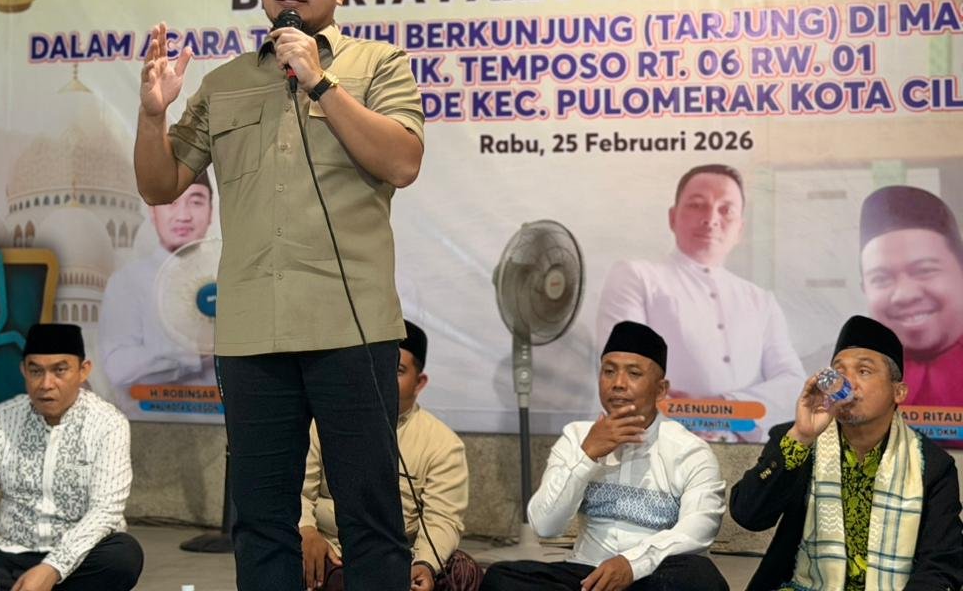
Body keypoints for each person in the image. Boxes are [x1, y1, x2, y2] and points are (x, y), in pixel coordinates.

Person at [134, 0, 425, 590]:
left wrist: (320, 81)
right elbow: (159, 184)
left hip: (351, 327)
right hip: (250, 334)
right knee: (261, 521)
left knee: (370, 517)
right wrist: (152, 115)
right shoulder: (225, 84)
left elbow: (403, 161)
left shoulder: (380, 64)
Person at [481, 321, 729, 591]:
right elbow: (545, 526)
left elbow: (699, 529)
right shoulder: (577, 437)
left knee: (699, 576)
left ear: (660, 389)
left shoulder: (689, 451)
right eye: (609, 371)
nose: (618, 384)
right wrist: (587, 455)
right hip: (587, 574)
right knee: (500, 578)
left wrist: (632, 564)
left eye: (634, 373)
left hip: (652, 575)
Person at [729, 315, 963, 591]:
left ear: (898, 392)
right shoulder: (798, 440)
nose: (847, 383)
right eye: (839, 373)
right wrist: (801, 437)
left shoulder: (931, 465)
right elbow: (748, 516)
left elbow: (942, 563)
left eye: (863, 371)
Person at [0, 323, 142, 591]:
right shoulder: (1, 419)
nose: (46, 384)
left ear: (83, 371)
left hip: (79, 557)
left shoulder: (108, 424)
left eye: (60, 370)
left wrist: (53, 568)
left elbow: (105, 511)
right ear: (24, 370)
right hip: (11, 553)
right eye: (36, 371)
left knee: (124, 556)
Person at [596, 163, 804, 438]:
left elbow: (794, 384)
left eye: (726, 210)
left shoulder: (760, 300)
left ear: (740, 229)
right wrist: (687, 416)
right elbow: (623, 373)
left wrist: (718, 408)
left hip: (745, 448)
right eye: (697, 205)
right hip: (658, 443)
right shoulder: (637, 277)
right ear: (672, 217)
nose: (711, 219)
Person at [299, 321, 479, 591]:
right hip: (333, 553)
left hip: (403, 558)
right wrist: (306, 531)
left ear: (419, 382)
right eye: (374, 366)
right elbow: (298, 491)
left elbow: (443, 519)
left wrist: (425, 564)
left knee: (463, 571)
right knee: (297, 558)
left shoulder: (443, 444)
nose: (382, 376)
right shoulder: (323, 425)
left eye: (397, 370)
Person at [96, 169, 217, 414]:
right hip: (150, 422)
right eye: (171, 203)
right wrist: (194, 353)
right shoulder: (128, 281)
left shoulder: (230, 276)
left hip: (224, 422)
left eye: (196, 202)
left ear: (211, 212)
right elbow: (119, 368)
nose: (183, 216)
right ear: (153, 212)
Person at [859, 184, 963, 406]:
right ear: (865, 290)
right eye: (881, 278)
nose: (905, 295)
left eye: (925, 270)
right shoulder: (843, 373)